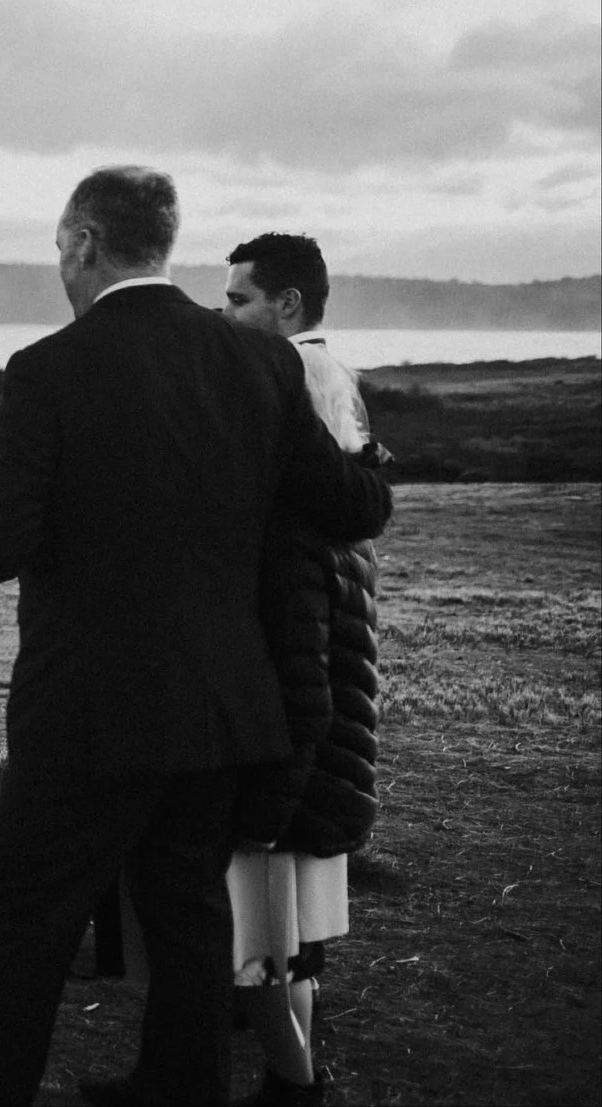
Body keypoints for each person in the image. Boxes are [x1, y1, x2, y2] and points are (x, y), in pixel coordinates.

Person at [0, 168, 392, 1107]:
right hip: (223, 698)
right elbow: (356, 505)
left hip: (89, 704)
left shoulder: (48, 370)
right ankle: (182, 1085)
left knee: (27, 916)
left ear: (87, 244)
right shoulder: (260, 363)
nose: (60, 268)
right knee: (187, 905)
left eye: (61, 250)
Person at [218, 232, 386, 1107]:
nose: (225, 314)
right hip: (313, 743)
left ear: (287, 307)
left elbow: (301, 657)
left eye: (241, 298)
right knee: (290, 939)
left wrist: (266, 802)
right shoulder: (333, 407)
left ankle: (294, 1085)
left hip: (290, 748)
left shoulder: (293, 409)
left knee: (270, 941)